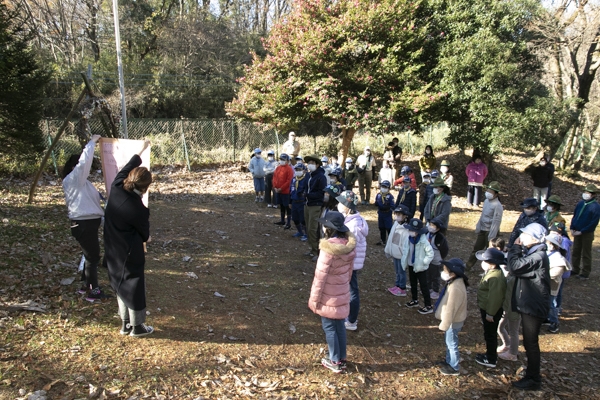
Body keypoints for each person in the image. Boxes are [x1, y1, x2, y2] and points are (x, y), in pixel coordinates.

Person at [104, 142, 155, 337]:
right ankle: (138, 327)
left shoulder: (116, 187)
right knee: (134, 286)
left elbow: (126, 166)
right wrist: (147, 236)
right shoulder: (139, 209)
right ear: (145, 188)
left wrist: (140, 150)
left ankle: (125, 324)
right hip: (130, 252)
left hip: (112, 248)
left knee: (119, 284)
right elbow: (144, 235)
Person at [308, 211, 357, 373]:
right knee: (340, 326)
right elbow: (350, 273)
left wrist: (314, 300)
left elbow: (319, 277)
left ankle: (334, 360)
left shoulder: (328, 249)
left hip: (328, 297)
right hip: (342, 293)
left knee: (329, 327)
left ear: (329, 228)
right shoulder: (348, 246)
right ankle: (341, 357)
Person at [61, 134, 108, 302]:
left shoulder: (82, 183)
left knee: (89, 255)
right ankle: (93, 291)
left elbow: (94, 201)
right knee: (92, 257)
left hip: (87, 224)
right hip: (83, 224)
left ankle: (84, 286)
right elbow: (84, 164)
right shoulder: (74, 179)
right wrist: (91, 143)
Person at [506, 223, 550, 391]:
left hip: (534, 306)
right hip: (529, 304)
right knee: (530, 342)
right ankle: (532, 374)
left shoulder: (538, 257)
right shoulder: (534, 253)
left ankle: (533, 378)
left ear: (533, 238)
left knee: (531, 343)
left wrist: (515, 248)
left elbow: (514, 266)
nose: (521, 237)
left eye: (524, 234)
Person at [336, 190, 368, 331]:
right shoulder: (350, 220)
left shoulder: (353, 225)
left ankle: (352, 320)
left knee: (352, 290)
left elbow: (348, 246)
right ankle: (347, 314)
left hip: (351, 262)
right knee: (348, 288)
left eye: (341, 203)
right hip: (351, 261)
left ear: (348, 207)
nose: (339, 205)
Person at [435, 258, 469, 376]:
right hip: (452, 321)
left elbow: (451, 308)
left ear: (453, 273)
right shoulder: (454, 283)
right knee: (449, 341)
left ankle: (454, 366)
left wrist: (445, 323)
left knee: (452, 343)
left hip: (452, 321)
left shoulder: (455, 287)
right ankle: (449, 361)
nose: (443, 272)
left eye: (445, 270)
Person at [474, 248, 507, 369]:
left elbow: (495, 298)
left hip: (491, 311)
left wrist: (490, 313)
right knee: (489, 333)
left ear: (492, 263)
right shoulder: (492, 273)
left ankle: (491, 358)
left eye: (485, 261)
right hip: (487, 308)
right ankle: (489, 354)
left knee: (490, 334)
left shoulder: (496, 278)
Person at [466, 182, 504, 269]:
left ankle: (492, 268)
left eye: (491, 192)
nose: (488, 193)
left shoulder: (498, 206)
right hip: (483, 229)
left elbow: (496, 221)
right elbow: (482, 215)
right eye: (488, 190)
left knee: (491, 251)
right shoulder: (486, 201)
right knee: (477, 248)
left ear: (496, 194)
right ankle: (468, 265)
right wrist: (478, 226)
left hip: (490, 231)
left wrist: (492, 236)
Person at [403, 218, 435, 314]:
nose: (411, 232)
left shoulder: (424, 242)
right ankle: (414, 299)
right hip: (411, 265)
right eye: (410, 230)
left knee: (423, 286)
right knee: (413, 283)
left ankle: (428, 305)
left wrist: (424, 262)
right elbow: (406, 251)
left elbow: (430, 253)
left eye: (413, 230)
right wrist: (404, 261)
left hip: (420, 267)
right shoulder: (408, 240)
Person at [570, 184, 600, 279]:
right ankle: (575, 269)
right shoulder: (580, 203)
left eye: (588, 193)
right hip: (576, 230)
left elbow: (593, 222)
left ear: (594, 195)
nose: (586, 194)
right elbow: (575, 216)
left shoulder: (595, 207)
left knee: (586, 253)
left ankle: (585, 272)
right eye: (585, 192)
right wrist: (572, 227)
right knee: (576, 251)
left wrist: (582, 231)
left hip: (587, 233)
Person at [497, 244, 521, 362]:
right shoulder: (511, 276)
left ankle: (513, 353)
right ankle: (507, 345)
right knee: (500, 327)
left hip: (514, 309)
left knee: (514, 331)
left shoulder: (518, 279)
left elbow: (513, 295)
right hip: (507, 307)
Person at [304, 155, 328, 261]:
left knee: (313, 229)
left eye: (312, 163)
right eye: (309, 163)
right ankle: (312, 248)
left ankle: (317, 251)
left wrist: (308, 195)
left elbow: (321, 193)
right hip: (307, 204)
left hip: (316, 205)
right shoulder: (309, 175)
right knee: (308, 228)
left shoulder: (321, 177)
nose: (310, 165)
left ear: (318, 165)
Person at [545, 233, 569, 334]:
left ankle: (554, 322)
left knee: (551, 304)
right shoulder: (546, 253)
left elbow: (554, 274)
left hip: (552, 286)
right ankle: (546, 318)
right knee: (545, 302)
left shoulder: (558, 258)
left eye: (547, 242)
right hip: (545, 285)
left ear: (552, 244)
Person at [385, 205, 411, 296]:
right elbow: (390, 238)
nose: (397, 216)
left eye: (399, 214)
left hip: (401, 255)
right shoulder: (395, 224)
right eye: (396, 214)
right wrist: (388, 250)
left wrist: (405, 255)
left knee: (401, 271)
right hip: (394, 252)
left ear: (405, 216)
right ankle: (397, 285)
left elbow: (406, 244)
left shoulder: (407, 229)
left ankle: (402, 288)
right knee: (397, 271)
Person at [549, 222, 572, 316]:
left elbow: (563, 256)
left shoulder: (564, 241)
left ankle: (557, 309)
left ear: (558, 233)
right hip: (559, 271)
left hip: (560, 272)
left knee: (557, 293)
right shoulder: (560, 240)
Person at [426, 217, 449, 300]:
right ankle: (428, 288)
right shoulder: (427, 233)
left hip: (436, 259)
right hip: (427, 258)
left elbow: (444, 250)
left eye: (433, 225)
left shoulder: (440, 237)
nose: (431, 226)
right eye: (430, 224)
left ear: (438, 228)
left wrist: (440, 258)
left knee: (435, 276)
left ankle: (435, 290)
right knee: (427, 274)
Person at [272, 154, 294, 229]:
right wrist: (275, 186)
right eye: (281, 159)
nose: (282, 161)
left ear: (287, 161)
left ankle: (288, 222)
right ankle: (282, 220)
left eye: (283, 159)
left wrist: (281, 188)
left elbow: (289, 181)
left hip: (286, 191)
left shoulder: (289, 169)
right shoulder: (278, 168)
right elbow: (274, 177)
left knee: (287, 206)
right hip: (278, 190)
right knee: (281, 205)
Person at [290, 163, 308, 240]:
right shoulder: (294, 179)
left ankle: (306, 234)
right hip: (294, 201)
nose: (298, 171)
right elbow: (290, 190)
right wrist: (290, 201)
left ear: (304, 171)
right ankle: (299, 231)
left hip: (302, 202)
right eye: (296, 170)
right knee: (295, 218)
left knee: (303, 219)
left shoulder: (306, 180)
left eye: (299, 170)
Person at [375, 180, 395, 245]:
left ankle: (390, 242)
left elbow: (393, 205)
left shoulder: (390, 197)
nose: (383, 188)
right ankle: (383, 240)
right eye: (382, 186)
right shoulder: (378, 195)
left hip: (387, 214)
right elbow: (377, 202)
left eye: (385, 187)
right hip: (380, 213)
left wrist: (389, 207)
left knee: (389, 227)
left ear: (388, 188)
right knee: (381, 227)